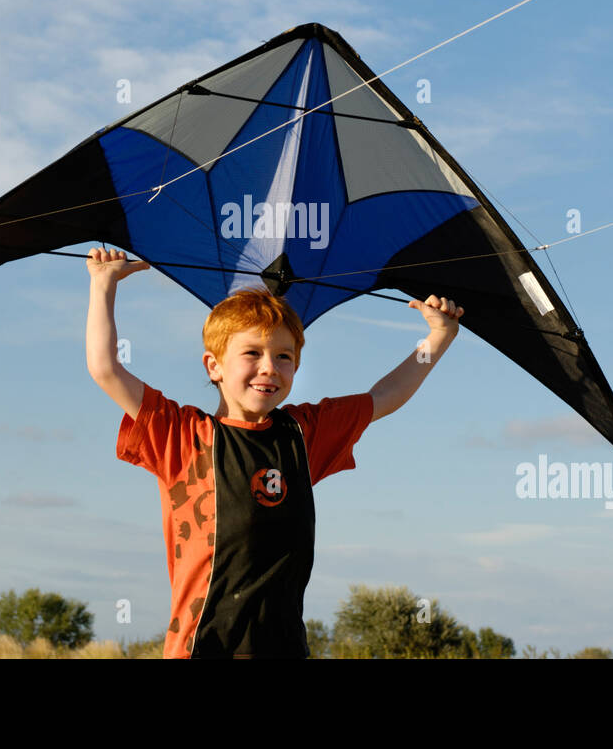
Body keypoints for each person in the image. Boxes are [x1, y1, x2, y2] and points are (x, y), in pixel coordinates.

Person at [85, 246, 464, 658]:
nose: (270, 367)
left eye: (284, 357)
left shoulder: (302, 434)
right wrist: (103, 285)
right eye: (252, 353)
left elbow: (385, 396)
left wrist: (438, 338)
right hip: (203, 648)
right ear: (214, 366)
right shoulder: (181, 434)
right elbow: (106, 368)